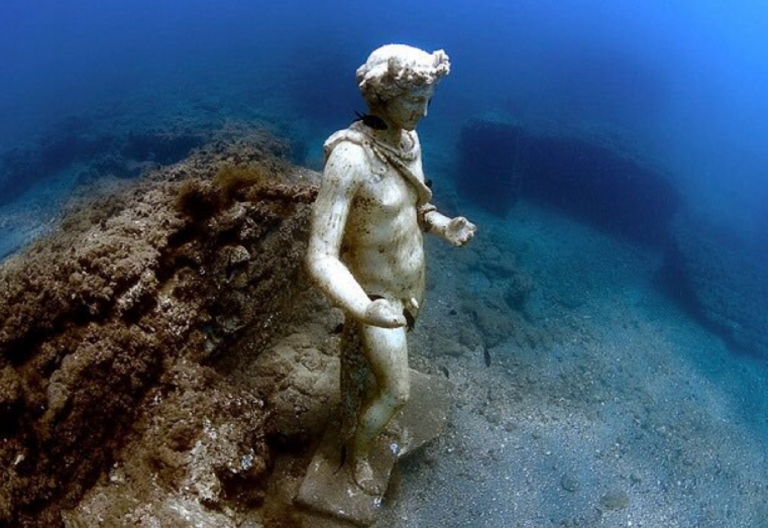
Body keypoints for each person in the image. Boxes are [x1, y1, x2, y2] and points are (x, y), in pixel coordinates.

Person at [306, 44, 476, 493]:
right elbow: (320, 256)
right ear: (381, 97)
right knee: (396, 392)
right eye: (413, 100)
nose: (423, 112)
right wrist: (363, 308)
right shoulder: (350, 160)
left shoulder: (408, 142)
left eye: (428, 100)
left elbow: (415, 209)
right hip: (375, 295)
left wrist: (443, 225)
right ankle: (357, 456)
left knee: (371, 375)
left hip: (411, 283)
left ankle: (355, 418)